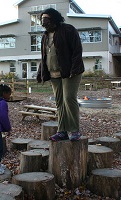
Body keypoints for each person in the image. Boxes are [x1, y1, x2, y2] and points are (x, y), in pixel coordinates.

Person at [37, 8, 85, 141]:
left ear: (54, 19)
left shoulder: (68, 30)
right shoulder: (45, 36)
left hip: (70, 72)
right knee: (59, 102)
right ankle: (62, 131)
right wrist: (41, 72)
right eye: (42, 20)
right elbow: (44, 56)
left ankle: (74, 130)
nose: (44, 23)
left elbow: (77, 51)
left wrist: (74, 69)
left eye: (46, 19)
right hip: (54, 74)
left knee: (69, 99)